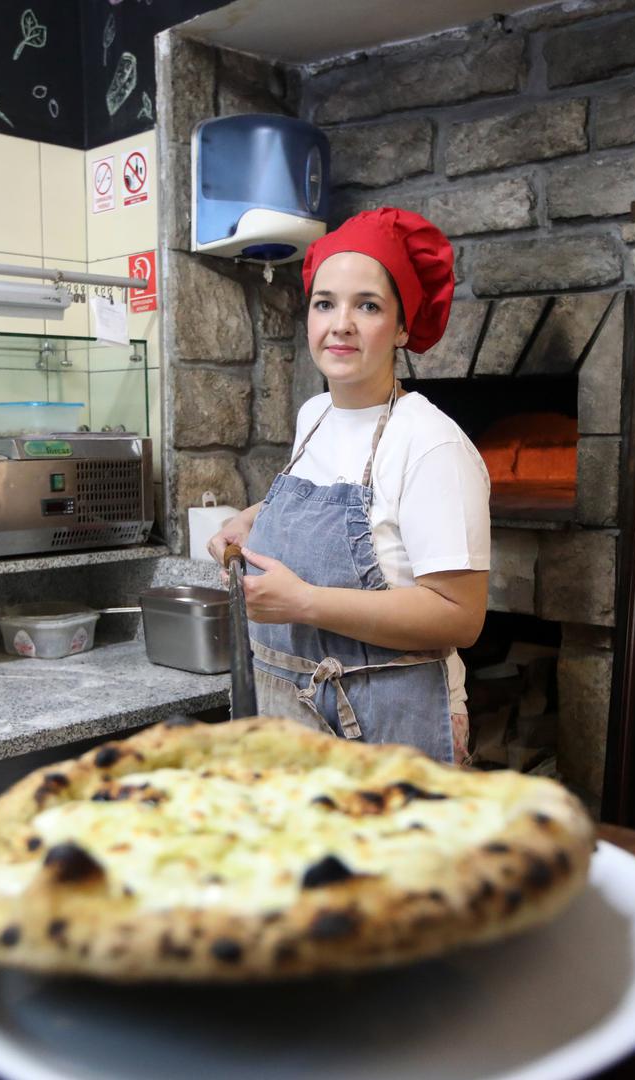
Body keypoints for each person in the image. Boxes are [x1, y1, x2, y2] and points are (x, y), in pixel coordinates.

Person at [208, 208, 491, 765]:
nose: (340, 323)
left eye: (367, 305)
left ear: (403, 327)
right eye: (324, 303)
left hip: (389, 731)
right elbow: (325, 492)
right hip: (289, 719)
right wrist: (250, 518)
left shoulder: (433, 445)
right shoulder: (315, 414)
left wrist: (305, 603)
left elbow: (461, 615)